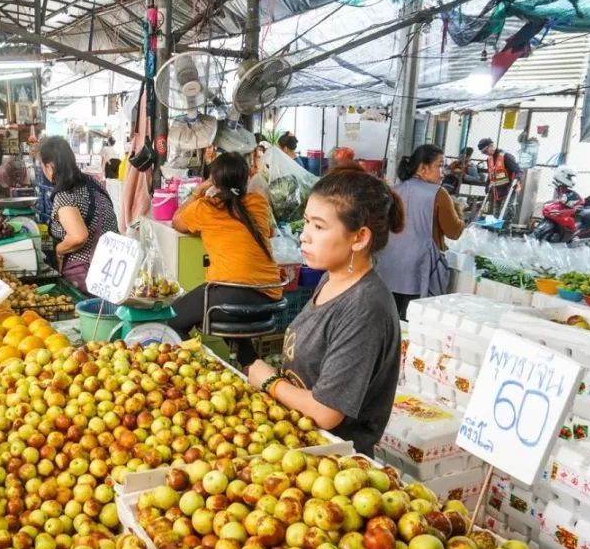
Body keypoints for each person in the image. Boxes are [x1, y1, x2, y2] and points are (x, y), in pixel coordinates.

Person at [246, 166, 404, 457]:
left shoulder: (365, 307)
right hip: (299, 445)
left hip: (334, 464)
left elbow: (326, 412)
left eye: (319, 227)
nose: (304, 236)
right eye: (306, 223)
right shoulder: (330, 278)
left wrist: (269, 381)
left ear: (359, 238)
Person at [169, 152, 282, 364]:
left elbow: (177, 221)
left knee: (172, 320)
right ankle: (250, 366)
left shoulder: (206, 208)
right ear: (246, 178)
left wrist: (198, 191)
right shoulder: (258, 203)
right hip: (269, 296)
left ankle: (201, 372)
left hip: (232, 295)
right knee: (228, 317)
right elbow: (268, 232)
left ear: (214, 181)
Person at [378, 144, 465, 320]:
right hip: (420, 271)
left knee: (389, 321)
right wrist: (459, 211)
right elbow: (454, 232)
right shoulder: (439, 194)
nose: (443, 172)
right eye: (439, 166)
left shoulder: (393, 190)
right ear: (423, 168)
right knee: (414, 324)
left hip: (389, 268)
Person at [39, 136, 119, 293]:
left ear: (49, 167)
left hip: (87, 276)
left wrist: (58, 251)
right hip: (112, 268)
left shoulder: (64, 195)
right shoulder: (92, 182)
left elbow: (78, 236)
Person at [477, 137, 521, 215]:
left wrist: (516, 179)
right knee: (495, 213)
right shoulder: (489, 159)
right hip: (496, 190)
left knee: (506, 211)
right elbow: (491, 173)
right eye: (483, 152)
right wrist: (487, 185)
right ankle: (493, 225)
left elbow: (518, 171)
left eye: (485, 151)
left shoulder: (506, 156)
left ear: (491, 146)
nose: (485, 153)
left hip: (508, 188)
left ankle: (506, 225)